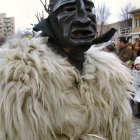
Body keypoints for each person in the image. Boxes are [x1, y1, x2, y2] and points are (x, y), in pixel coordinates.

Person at [0, 0, 134, 140]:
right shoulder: (20, 80)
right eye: (69, 9)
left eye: (89, 10)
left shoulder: (112, 80)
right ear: (51, 20)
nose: (84, 19)